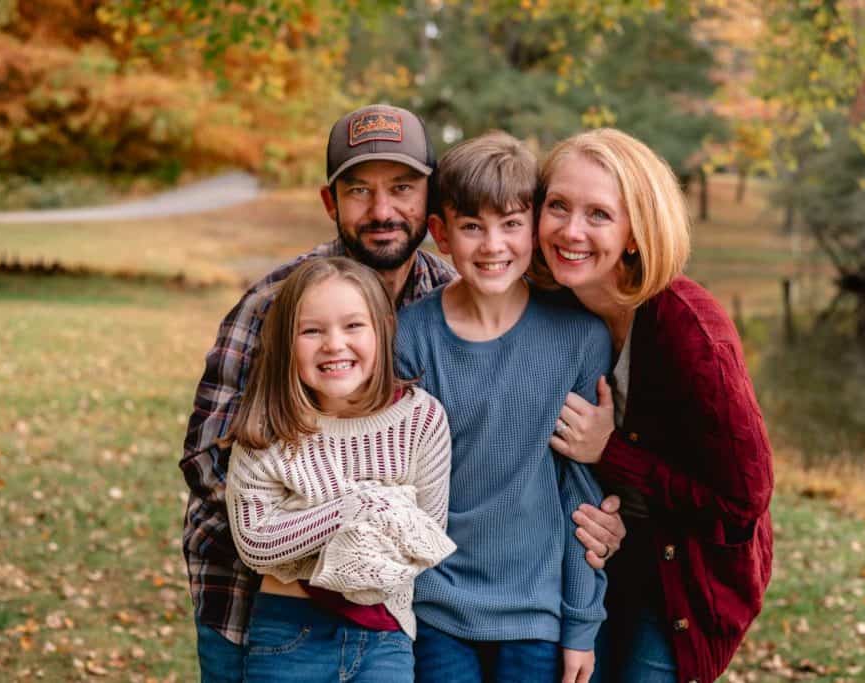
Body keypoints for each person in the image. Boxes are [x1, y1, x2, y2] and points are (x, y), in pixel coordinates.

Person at [179, 104, 625, 681]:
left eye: (403, 188)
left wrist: (606, 481)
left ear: (428, 206)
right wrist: (344, 532)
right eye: (360, 190)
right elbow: (208, 462)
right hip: (258, 605)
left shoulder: (447, 290)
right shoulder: (277, 305)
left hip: (400, 617)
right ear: (329, 203)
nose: (383, 209)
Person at [535, 128, 774, 683]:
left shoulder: (689, 329)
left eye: (599, 214)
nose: (571, 230)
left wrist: (609, 452)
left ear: (636, 233)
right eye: (558, 206)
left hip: (684, 577)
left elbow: (744, 500)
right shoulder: (546, 306)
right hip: (586, 555)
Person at [395, 132, 609, 683]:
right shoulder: (412, 336)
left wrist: (581, 624)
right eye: (472, 227)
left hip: (536, 613)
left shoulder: (579, 338)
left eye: (511, 223)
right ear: (440, 234)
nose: (493, 244)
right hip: (436, 605)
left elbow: (578, 493)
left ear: (535, 227)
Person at [223, 257, 455, 682]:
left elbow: (423, 539)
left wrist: (300, 523)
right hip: (289, 629)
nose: (334, 344)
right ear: (286, 341)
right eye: (311, 330)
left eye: (353, 326)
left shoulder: (421, 420)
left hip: (384, 634)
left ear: (383, 328)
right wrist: (361, 507)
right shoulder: (270, 425)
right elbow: (256, 543)